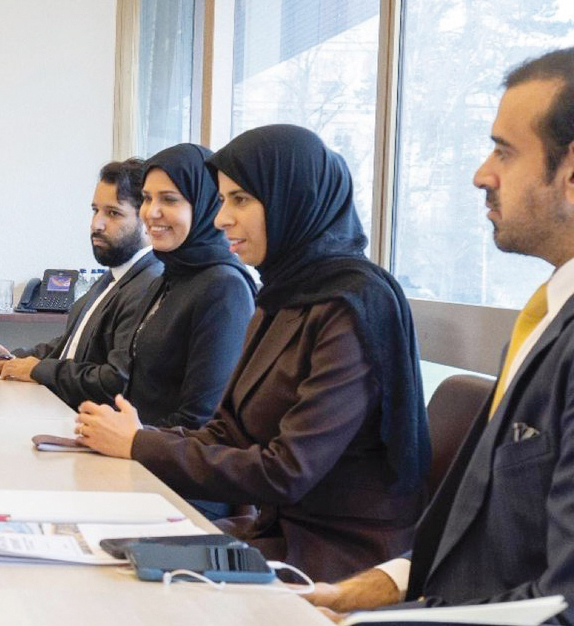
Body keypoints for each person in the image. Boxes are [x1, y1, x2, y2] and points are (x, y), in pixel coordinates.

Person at [76, 125, 430, 581]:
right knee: (107, 555)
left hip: (341, 555)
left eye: (240, 200)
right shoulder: (284, 292)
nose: (222, 218)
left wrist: (140, 444)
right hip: (279, 531)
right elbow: (228, 429)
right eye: (222, 201)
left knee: (130, 585)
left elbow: (287, 471)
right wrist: (133, 440)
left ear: (292, 199)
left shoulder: (353, 305)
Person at [307, 47, 574, 622]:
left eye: (505, 150)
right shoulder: (548, 314)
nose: (483, 174)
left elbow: (563, 612)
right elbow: (490, 537)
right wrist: (381, 587)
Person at [0, 159, 162, 410]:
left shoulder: (148, 285)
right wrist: (10, 357)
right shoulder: (112, 277)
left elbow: (114, 380)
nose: (96, 224)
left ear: (146, 220)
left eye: (113, 213)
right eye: (95, 210)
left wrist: (38, 369)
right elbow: (67, 347)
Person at [121, 144, 255, 429]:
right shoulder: (171, 274)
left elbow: (201, 420)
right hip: (138, 454)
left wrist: (131, 440)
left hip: (165, 466)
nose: (151, 212)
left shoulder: (224, 288)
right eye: (146, 198)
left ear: (207, 204)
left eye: (169, 200)